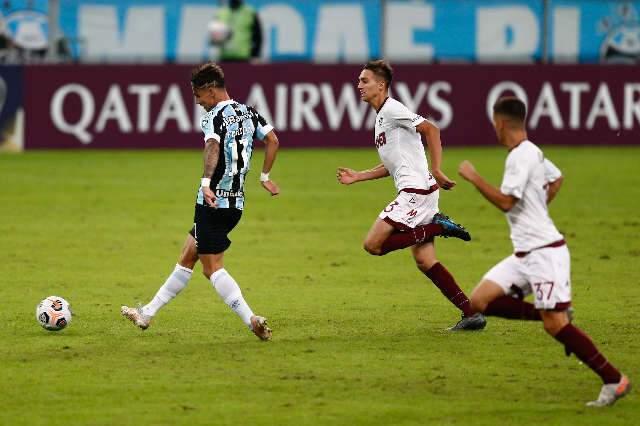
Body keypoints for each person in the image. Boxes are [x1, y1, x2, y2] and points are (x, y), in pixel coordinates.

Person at [458, 96, 631, 406]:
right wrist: (537, 209)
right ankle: (548, 311)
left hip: (544, 253)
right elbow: (557, 178)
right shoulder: (533, 152)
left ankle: (614, 379)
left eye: (493, 126)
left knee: (557, 327)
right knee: (480, 300)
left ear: (500, 124)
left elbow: (506, 202)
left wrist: (474, 177)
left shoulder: (519, 157)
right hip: (525, 253)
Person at [121, 62, 279, 341]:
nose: (197, 102)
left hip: (212, 201)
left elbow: (213, 146)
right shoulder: (249, 112)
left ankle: (251, 318)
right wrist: (265, 176)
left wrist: (207, 184)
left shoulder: (214, 116)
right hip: (236, 205)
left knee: (211, 268)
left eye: (197, 96)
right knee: (187, 255)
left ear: (210, 90)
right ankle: (147, 313)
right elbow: (273, 140)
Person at [336, 59, 486, 331]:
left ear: (381, 85)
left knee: (373, 245)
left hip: (415, 192)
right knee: (425, 261)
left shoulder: (392, 109)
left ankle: (438, 226)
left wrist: (438, 168)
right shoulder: (382, 117)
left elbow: (431, 129)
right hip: (422, 191)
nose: (358, 85)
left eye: (364, 80)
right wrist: (359, 176)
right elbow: (392, 165)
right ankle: (471, 313)